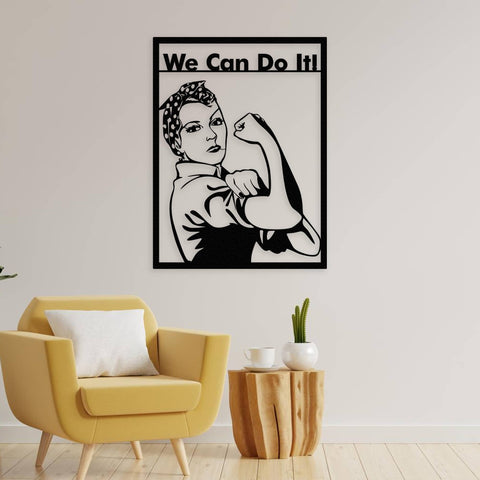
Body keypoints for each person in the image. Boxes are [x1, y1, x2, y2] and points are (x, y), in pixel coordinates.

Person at [160, 80, 320, 265]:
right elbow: (285, 214)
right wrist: (268, 143)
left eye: (216, 122)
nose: (212, 134)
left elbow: (309, 244)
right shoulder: (195, 190)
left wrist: (261, 189)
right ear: (177, 143)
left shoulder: (226, 180)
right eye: (194, 128)